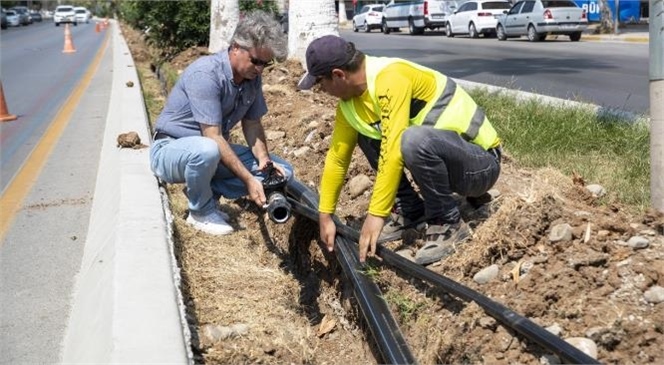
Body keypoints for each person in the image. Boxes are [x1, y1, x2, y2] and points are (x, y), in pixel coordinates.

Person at [298, 35, 501, 265]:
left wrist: (377, 214)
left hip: (480, 166)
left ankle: (447, 222)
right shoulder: (349, 105)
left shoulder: (391, 77)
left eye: (320, 83)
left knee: (412, 139)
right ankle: (410, 211)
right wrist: (325, 215)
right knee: (366, 131)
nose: (321, 90)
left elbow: (393, 149)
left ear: (338, 75)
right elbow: (337, 158)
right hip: (450, 167)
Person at [150, 11, 293, 236]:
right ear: (236, 47)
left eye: (266, 64)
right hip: (171, 149)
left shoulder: (252, 79)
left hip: (210, 154)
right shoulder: (205, 73)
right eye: (256, 61)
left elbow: (253, 124)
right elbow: (212, 137)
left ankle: (205, 191)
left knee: (284, 172)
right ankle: (200, 212)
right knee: (207, 150)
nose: (260, 69)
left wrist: (265, 164)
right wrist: (248, 180)